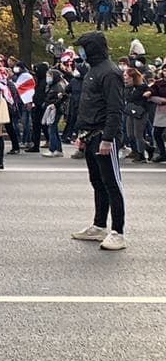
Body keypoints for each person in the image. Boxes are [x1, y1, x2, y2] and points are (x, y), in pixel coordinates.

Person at [70, 32, 128, 250]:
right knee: (97, 182)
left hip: (104, 135)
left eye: (82, 47)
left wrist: (108, 138)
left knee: (112, 184)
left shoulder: (110, 72)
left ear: (92, 48)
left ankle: (118, 232)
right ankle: (99, 225)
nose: (79, 51)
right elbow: (88, 104)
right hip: (90, 133)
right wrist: (81, 134)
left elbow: (115, 109)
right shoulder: (93, 70)